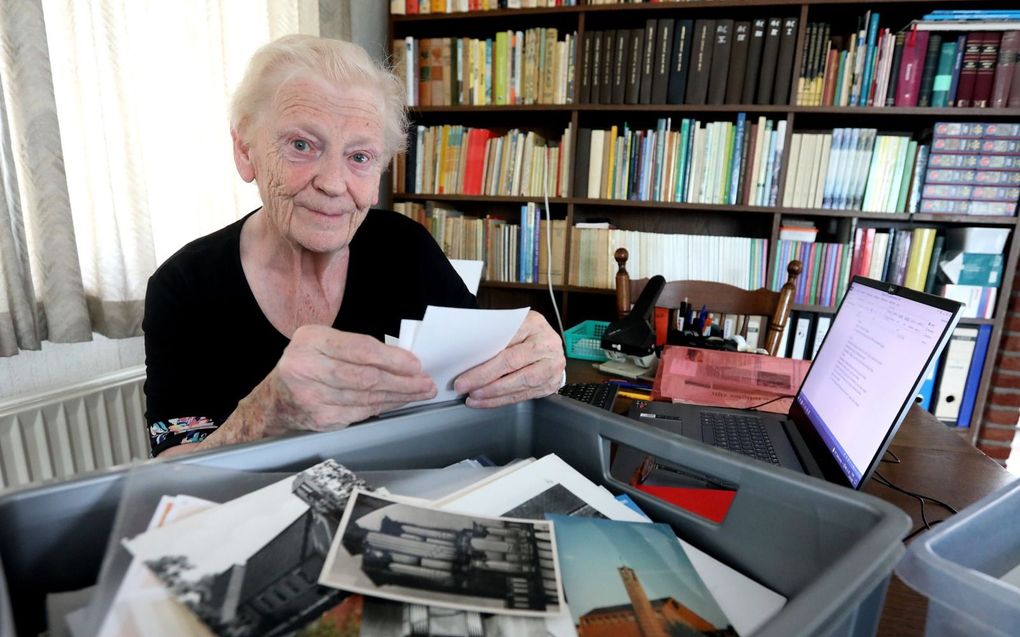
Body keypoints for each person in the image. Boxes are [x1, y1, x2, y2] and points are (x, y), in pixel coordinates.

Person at [143, 35, 565, 458]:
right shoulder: (184, 286)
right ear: (245, 151)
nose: (332, 183)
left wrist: (532, 359)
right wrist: (266, 414)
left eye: (359, 157)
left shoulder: (406, 248)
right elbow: (169, 467)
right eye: (302, 146)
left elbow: (483, 371)